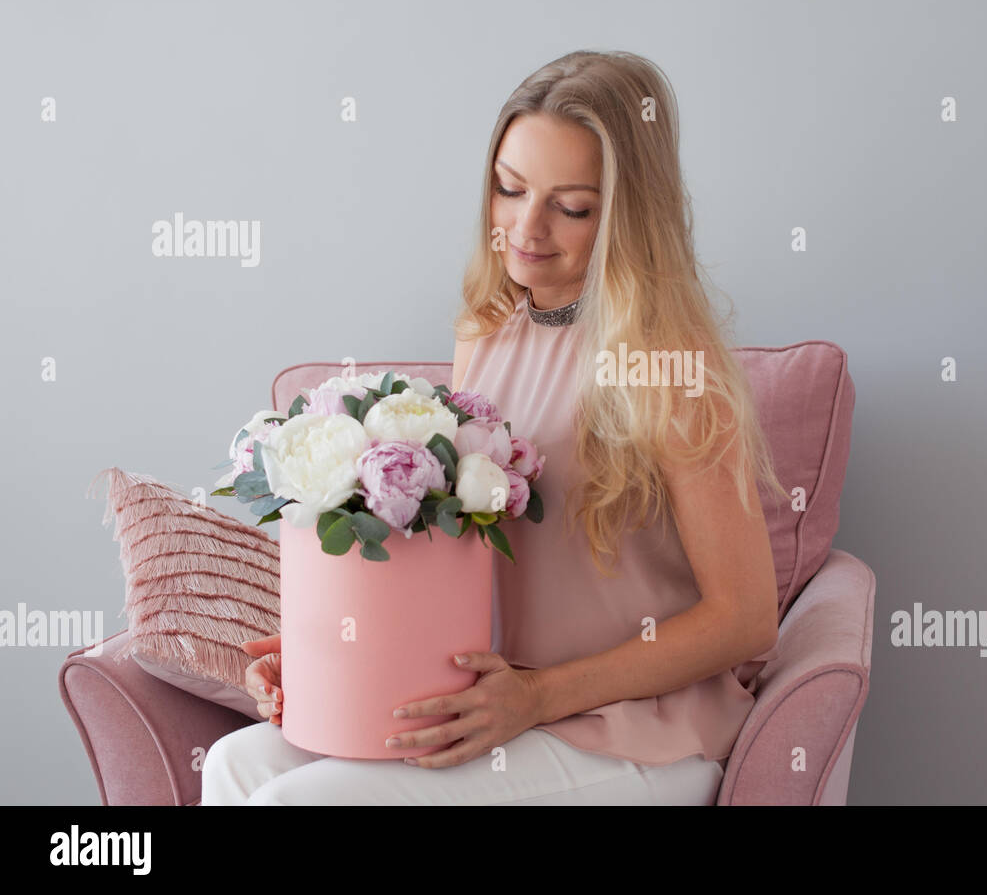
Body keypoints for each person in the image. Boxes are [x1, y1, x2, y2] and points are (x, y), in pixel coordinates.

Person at [201, 50, 785, 805]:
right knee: (233, 768)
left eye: (570, 206)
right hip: (502, 706)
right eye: (509, 190)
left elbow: (745, 619)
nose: (526, 228)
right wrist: (339, 650)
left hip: (639, 735)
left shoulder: (671, 365)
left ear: (628, 213)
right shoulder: (488, 329)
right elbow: (468, 556)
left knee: (292, 802)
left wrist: (539, 697)